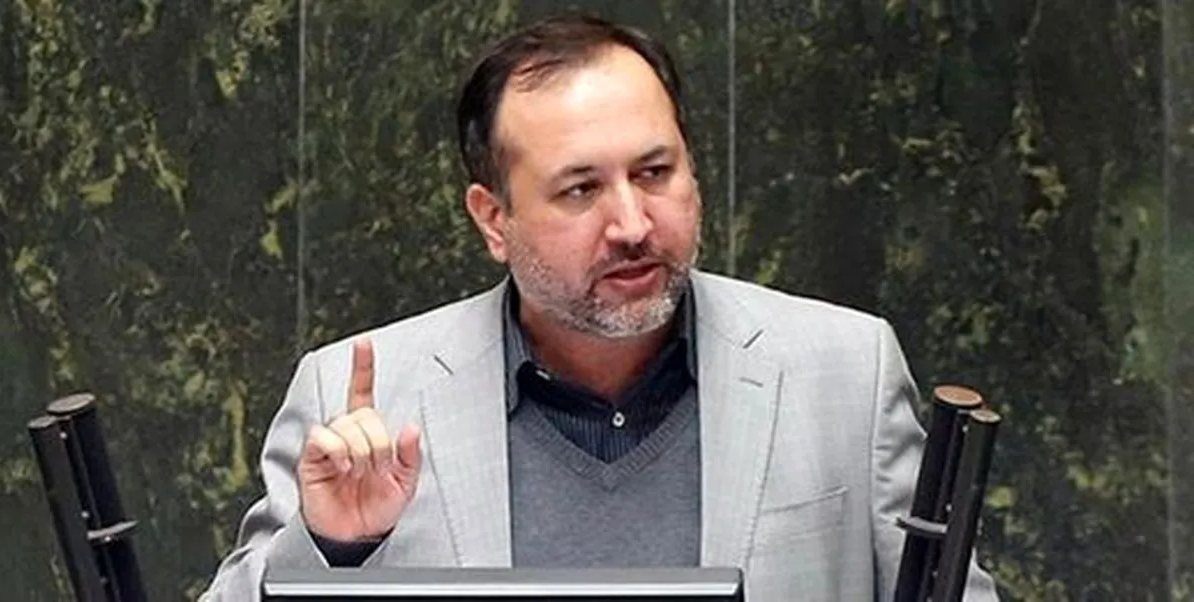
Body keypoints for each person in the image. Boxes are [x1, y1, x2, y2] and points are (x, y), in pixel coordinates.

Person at [200, 13, 999, 602]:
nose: (632, 224)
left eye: (655, 172)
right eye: (581, 189)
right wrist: (330, 547)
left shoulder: (845, 373)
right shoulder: (358, 397)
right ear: (492, 219)